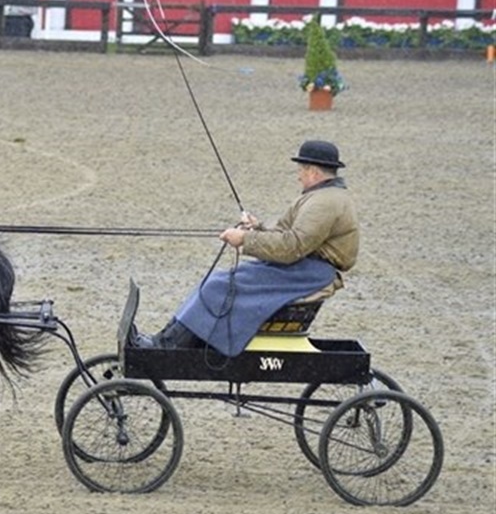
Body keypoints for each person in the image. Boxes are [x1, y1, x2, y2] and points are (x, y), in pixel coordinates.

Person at [131, 139, 359, 357]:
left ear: (313, 172)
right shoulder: (323, 197)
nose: (299, 176)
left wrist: (245, 239)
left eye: (301, 170)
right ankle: (166, 340)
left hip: (308, 274)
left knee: (219, 286)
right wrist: (257, 228)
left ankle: (168, 345)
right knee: (218, 281)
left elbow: (292, 247)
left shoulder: (324, 202)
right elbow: (287, 236)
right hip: (303, 269)